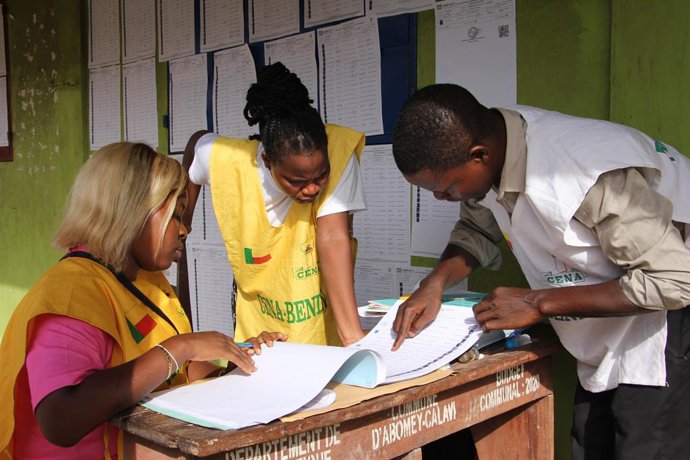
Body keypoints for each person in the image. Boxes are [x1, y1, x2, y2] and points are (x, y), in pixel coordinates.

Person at [390, 83, 690, 459]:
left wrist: (538, 302)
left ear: (478, 156)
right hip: (604, 328)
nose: (441, 199)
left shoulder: (583, 173)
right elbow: (477, 229)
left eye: (445, 189)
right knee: (589, 442)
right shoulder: (493, 147)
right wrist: (433, 283)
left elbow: (673, 280)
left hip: (666, 327)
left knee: (645, 446)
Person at [0, 142, 285, 459]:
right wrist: (180, 347)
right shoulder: (71, 290)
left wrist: (238, 364)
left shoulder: (147, 281)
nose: (184, 229)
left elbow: (178, 374)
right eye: (175, 215)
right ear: (131, 211)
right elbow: (60, 420)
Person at [182, 62, 367, 347]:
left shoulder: (339, 152)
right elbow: (198, 144)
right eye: (296, 181)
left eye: (321, 176)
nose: (312, 188)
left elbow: (332, 236)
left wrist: (354, 338)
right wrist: (183, 221)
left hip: (318, 329)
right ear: (268, 160)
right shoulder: (230, 161)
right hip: (258, 329)